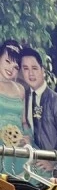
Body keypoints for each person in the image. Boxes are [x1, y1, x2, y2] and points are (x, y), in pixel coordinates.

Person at [20, 47, 57, 158]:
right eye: (25, 69)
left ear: (42, 70)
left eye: (34, 68)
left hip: (54, 165)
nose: (30, 73)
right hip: (32, 161)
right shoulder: (24, 98)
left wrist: (52, 162)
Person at [0, 40, 29, 175]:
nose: (11, 69)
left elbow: (24, 122)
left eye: (16, 67)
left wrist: (27, 137)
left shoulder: (20, 89)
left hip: (18, 146)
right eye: (7, 61)